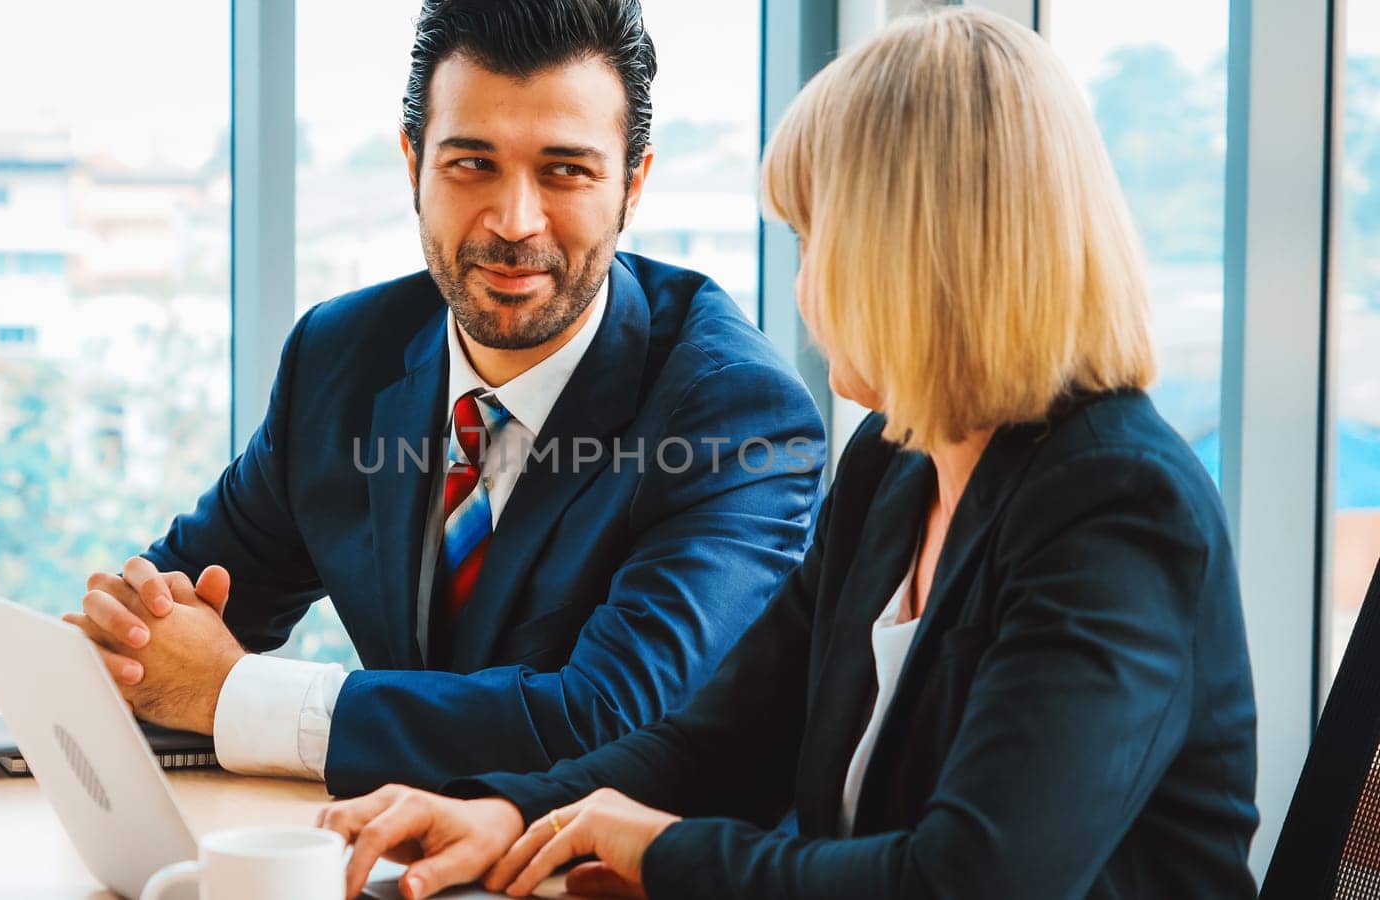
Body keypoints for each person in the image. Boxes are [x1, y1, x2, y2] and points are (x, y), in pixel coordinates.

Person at [316, 9, 1260, 899]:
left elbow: (967, 880)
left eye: (816, 239)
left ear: (919, 254)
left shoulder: (1118, 506)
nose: (805, 290)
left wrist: (664, 851)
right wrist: (508, 810)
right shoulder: (895, 470)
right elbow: (720, 745)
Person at [61, 0, 827, 799]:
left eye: (565, 170)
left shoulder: (735, 415)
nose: (513, 220)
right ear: (413, 164)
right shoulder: (339, 357)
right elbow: (180, 614)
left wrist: (233, 695)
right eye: (472, 163)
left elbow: (607, 723)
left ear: (633, 183)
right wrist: (139, 631)